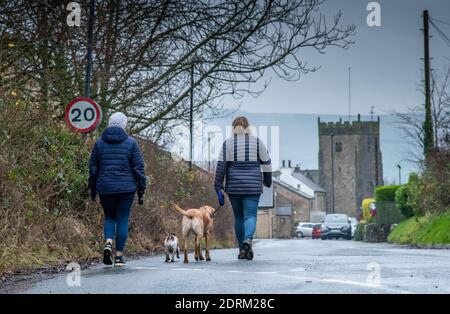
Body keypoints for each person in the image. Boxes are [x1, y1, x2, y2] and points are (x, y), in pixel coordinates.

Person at [88, 112, 146, 267]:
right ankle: (119, 256)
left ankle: (108, 242)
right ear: (124, 125)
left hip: (105, 187)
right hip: (126, 188)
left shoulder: (99, 143)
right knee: (122, 219)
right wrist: (141, 188)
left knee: (109, 217)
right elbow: (139, 168)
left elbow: (93, 168)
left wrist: (92, 188)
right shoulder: (131, 143)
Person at [214, 116, 272, 260]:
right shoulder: (257, 142)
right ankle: (248, 240)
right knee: (250, 215)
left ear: (233, 128)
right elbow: (267, 163)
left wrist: (218, 185)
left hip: (234, 186)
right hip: (253, 186)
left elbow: (221, 166)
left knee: (238, 217)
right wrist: (267, 181)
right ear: (248, 127)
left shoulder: (227, 144)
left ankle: (241, 249)